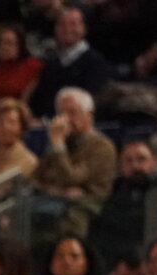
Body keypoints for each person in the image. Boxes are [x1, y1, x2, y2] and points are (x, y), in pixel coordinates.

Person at [87, 139, 157, 269]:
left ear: (154, 162)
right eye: (128, 161)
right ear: (120, 167)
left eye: (141, 159)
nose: (135, 166)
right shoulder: (112, 198)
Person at [31, 86, 117, 237]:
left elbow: (71, 178)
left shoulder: (101, 146)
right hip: (53, 201)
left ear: (89, 116)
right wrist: (58, 192)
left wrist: (57, 144)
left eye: (72, 112)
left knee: (66, 222)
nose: (65, 120)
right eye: (61, 114)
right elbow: (35, 179)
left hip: (87, 204)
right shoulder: (63, 142)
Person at [27, 6, 111, 118]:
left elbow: (91, 104)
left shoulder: (95, 63)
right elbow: (38, 101)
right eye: (62, 24)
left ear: (84, 28)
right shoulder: (51, 64)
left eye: (73, 24)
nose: (67, 29)